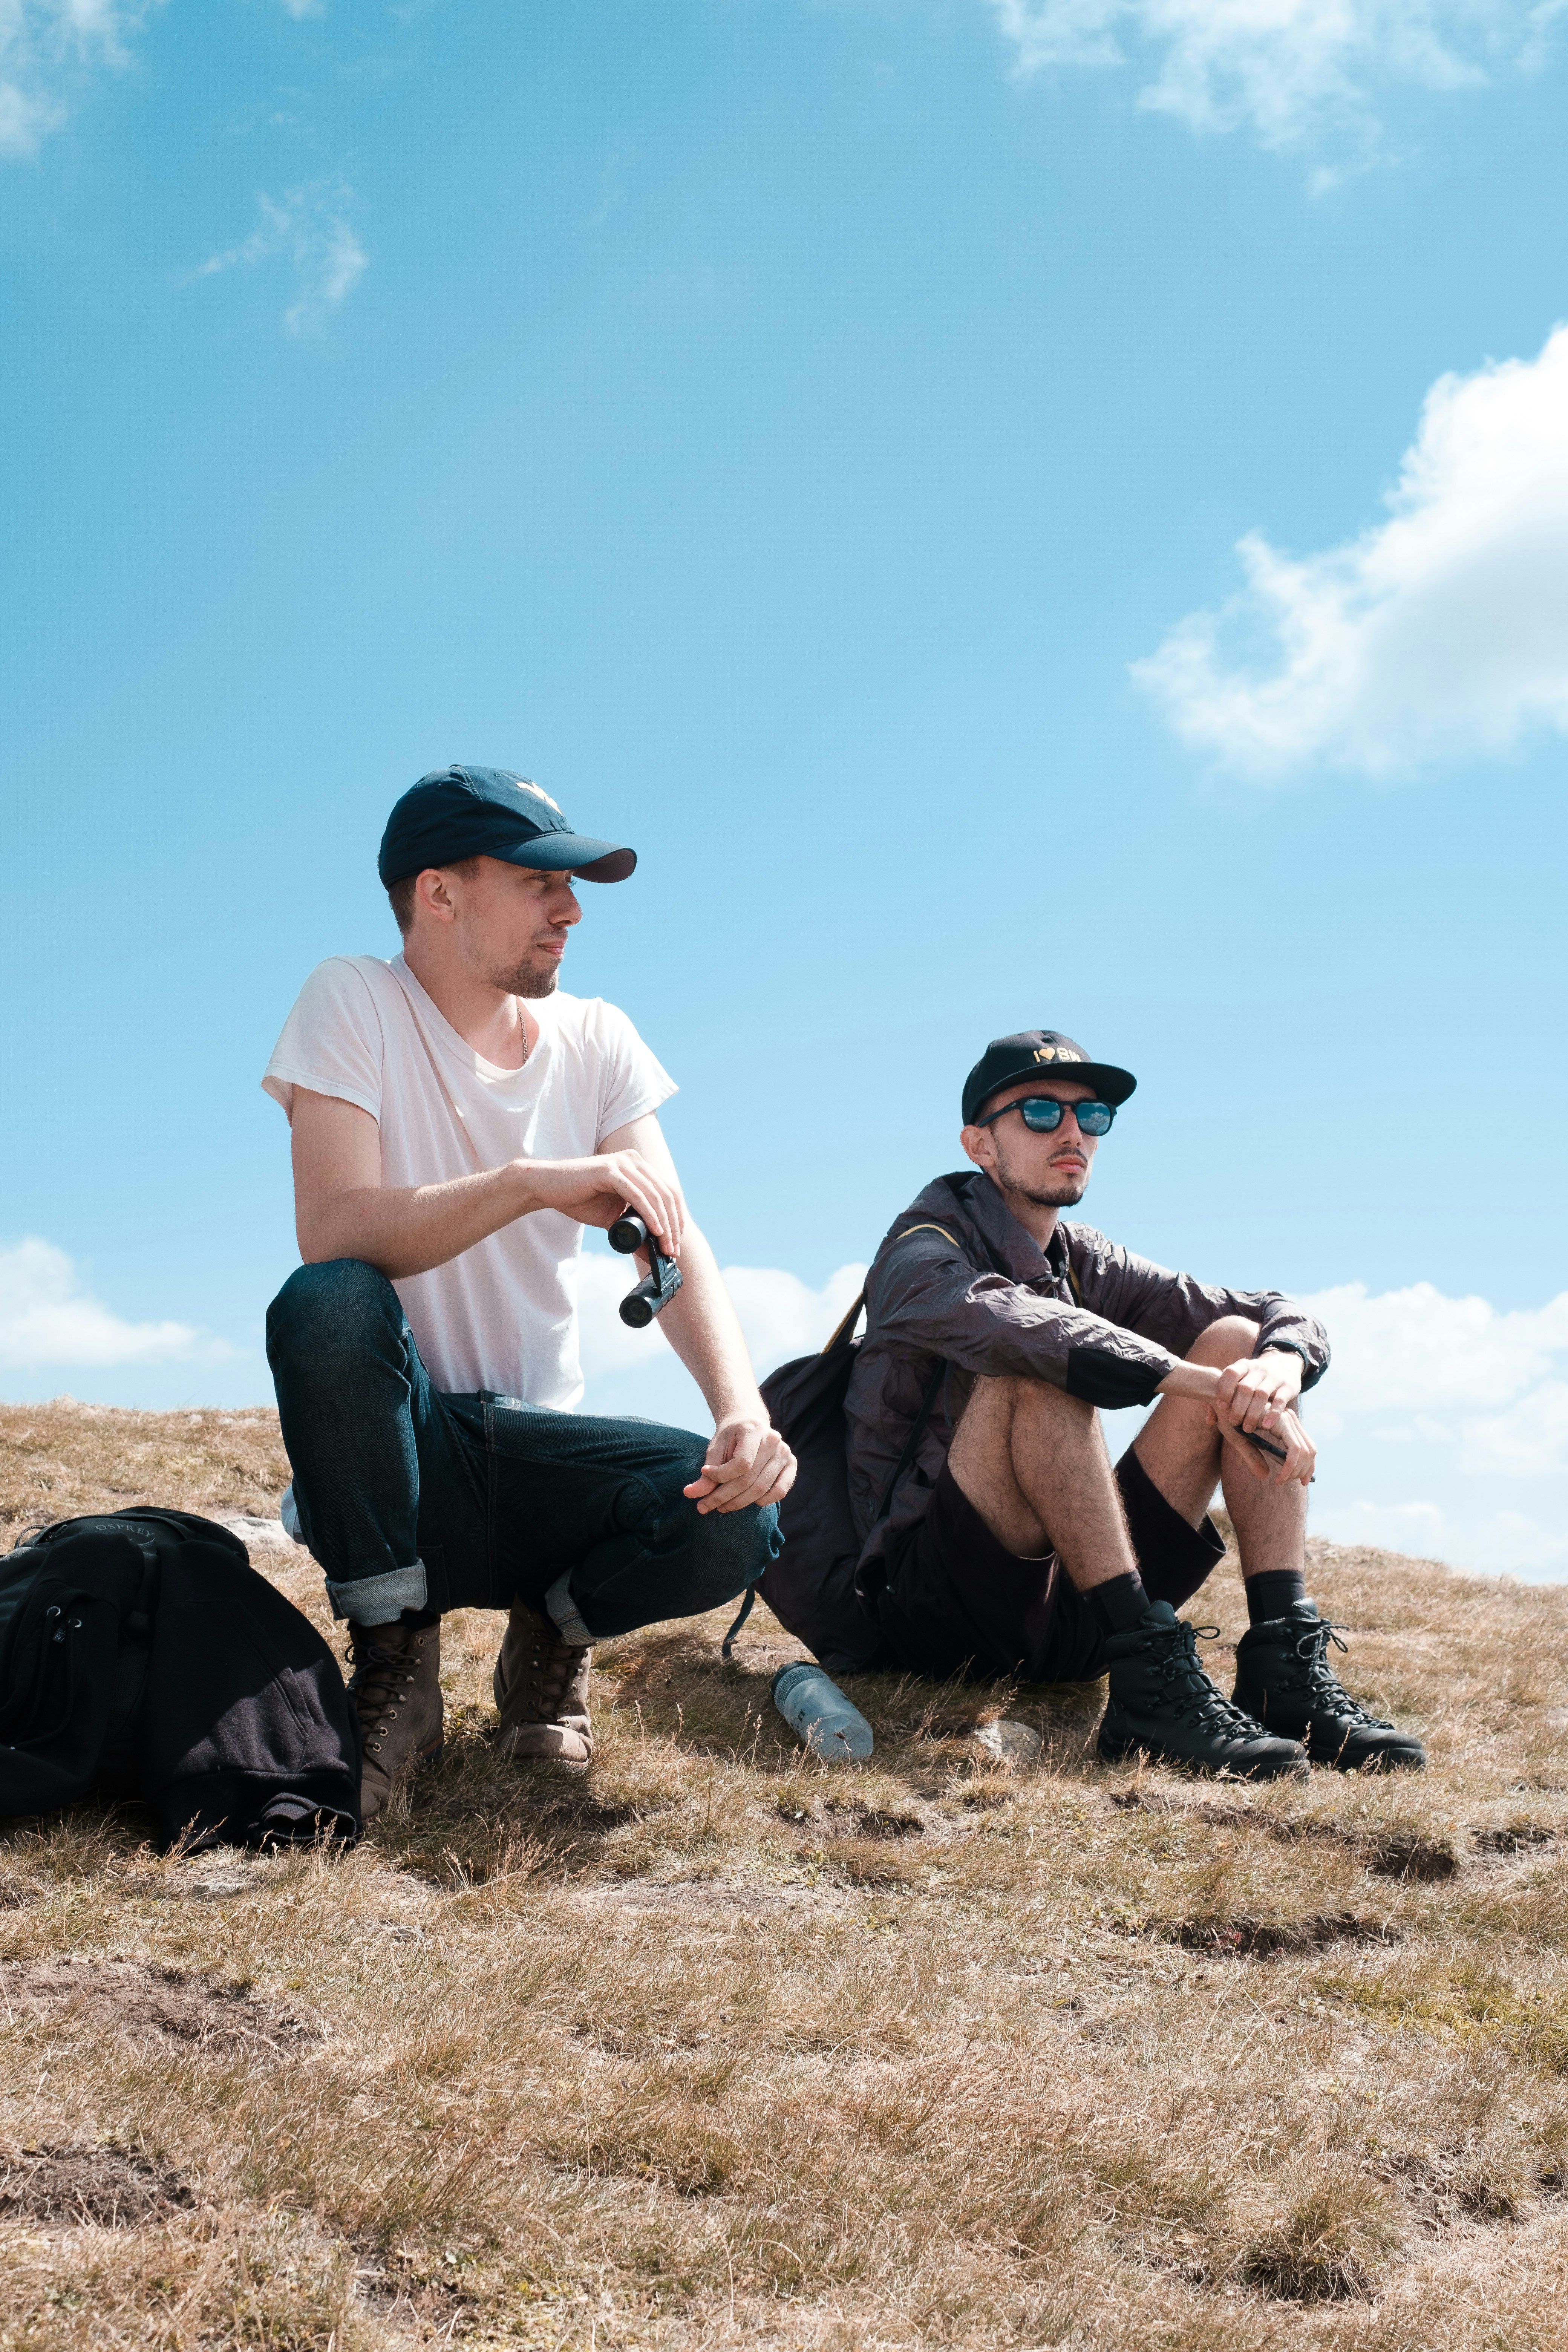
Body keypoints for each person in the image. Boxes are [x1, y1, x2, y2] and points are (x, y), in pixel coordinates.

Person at [262, 764, 794, 1819]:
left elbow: (675, 1245)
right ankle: (395, 1663)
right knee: (324, 1303)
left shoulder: (600, 1038)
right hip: (403, 1457)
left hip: (537, 1453)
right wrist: (528, 1184)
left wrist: (743, 1410)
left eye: (575, 883)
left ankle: (552, 1637)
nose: (572, 907)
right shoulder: (352, 998)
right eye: (540, 880)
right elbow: (335, 1227)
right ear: (439, 893)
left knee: (744, 1519)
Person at [843, 1029, 1423, 1776]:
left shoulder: (1084, 1258)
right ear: (979, 1145)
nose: (1073, 1133)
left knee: (1238, 1339)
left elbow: (1267, 1309)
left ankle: (1282, 1666)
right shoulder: (920, 1249)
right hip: (937, 1617)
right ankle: (1150, 1681)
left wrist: (1275, 1365)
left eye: (1092, 1117)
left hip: (1077, 1621)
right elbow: (1019, 1327)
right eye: (1042, 1113)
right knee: (1037, 1360)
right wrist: (1209, 1387)